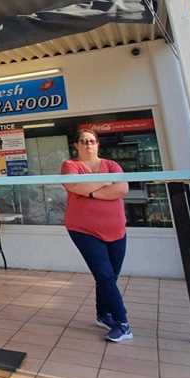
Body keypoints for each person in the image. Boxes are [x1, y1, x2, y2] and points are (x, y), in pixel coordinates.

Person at [61, 128, 132, 342]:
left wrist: (90, 191)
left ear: (98, 144)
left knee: (110, 276)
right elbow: (73, 185)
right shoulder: (70, 165)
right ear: (76, 145)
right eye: (83, 141)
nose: (88, 144)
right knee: (104, 275)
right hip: (83, 230)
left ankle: (103, 313)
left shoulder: (112, 165)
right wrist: (104, 185)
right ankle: (123, 323)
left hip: (117, 230)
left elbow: (122, 189)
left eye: (91, 141)